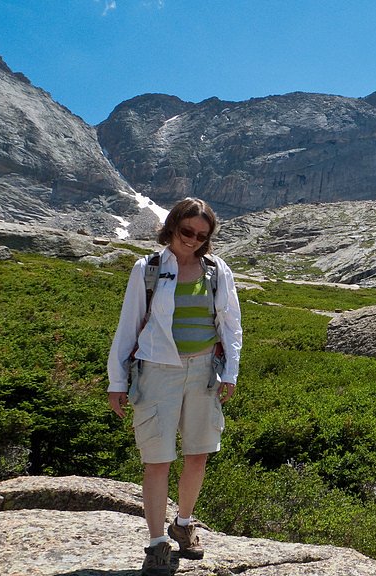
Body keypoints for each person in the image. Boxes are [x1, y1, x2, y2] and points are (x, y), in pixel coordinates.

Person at [107, 197, 242, 575]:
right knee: (157, 459)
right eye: (187, 231)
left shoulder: (217, 270)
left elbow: (231, 324)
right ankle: (156, 544)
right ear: (172, 227)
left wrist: (229, 371)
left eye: (202, 235)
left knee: (198, 454)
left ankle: (183, 524)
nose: (194, 240)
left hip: (204, 372)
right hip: (157, 372)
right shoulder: (147, 268)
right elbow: (128, 325)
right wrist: (117, 380)